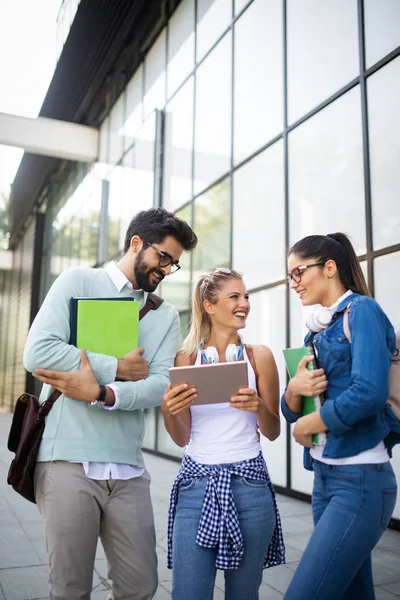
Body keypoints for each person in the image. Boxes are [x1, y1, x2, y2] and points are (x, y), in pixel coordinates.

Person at [24, 207, 197, 600]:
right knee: (70, 589)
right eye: (163, 257)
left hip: (128, 467)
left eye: (175, 264)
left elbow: (158, 386)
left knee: (141, 586)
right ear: (136, 243)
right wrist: (116, 366)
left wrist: (103, 392)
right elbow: (38, 354)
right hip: (66, 459)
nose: (167, 269)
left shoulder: (165, 315)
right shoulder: (78, 280)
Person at [282, 232, 398, 600]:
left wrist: (311, 424)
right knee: (353, 594)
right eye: (290, 277)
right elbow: (291, 411)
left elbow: (369, 391)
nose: (294, 283)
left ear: (330, 268)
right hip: (324, 478)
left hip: (360, 478)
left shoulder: (362, 311)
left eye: (299, 272)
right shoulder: (315, 330)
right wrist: (294, 390)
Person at [161, 267, 285, 600]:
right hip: (195, 485)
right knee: (188, 593)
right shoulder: (186, 360)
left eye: (246, 296)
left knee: (244, 595)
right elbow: (181, 437)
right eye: (235, 297)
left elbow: (272, 431)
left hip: (251, 486)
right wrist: (168, 411)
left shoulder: (259, 357)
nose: (244, 303)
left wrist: (258, 406)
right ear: (209, 305)